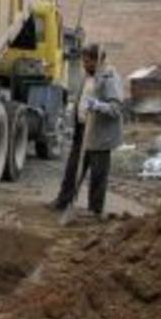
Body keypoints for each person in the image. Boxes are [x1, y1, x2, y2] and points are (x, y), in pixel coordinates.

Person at [49, 43, 124, 217]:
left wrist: (98, 106)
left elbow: (116, 108)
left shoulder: (109, 78)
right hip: (82, 130)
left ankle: (94, 210)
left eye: (87, 61)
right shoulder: (87, 76)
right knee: (73, 169)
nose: (84, 64)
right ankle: (63, 201)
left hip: (100, 135)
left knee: (98, 174)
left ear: (98, 61)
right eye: (83, 60)